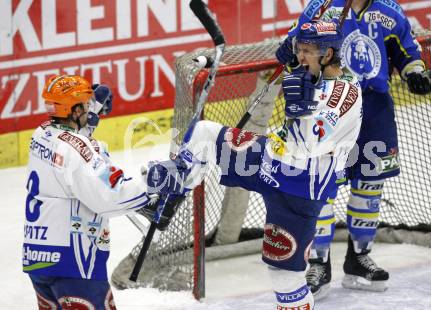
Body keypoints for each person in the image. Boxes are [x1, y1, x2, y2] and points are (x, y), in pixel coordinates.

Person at [140, 20, 363, 309]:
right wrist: (289, 54)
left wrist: (301, 111)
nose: (301, 56)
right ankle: (168, 200)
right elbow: (289, 61)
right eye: (300, 49)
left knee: (285, 277)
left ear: (329, 55)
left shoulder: (345, 95)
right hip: (269, 158)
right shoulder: (312, 72)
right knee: (205, 134)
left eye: (307, 51)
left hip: (301, 187)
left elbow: (308, 146)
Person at [275, 0, 431, 300]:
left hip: (375, 108)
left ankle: (358, 257)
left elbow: (407, 52)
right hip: (330, 105)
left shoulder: (389, 11)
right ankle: (317, 262)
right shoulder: (322, 8)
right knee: (322, 186)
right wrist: (291, 49)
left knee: (369, 186)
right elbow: (295, 47)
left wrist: (416, 74)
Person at [23, 75, 159, 309]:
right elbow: (110, 196)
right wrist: (151, 186)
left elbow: (70, 146)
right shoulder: (77, 150)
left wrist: (89, 109)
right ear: (75, 110)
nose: (89, 107)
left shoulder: (41, 134)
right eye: (85, 104)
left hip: (38, 256)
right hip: (73, 262)